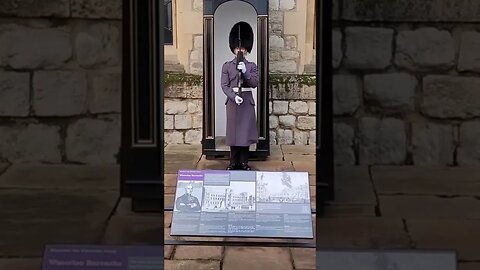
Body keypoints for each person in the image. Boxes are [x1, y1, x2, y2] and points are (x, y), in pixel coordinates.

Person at [221, 21, 258, 171]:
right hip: (233, 101)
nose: (240, 50)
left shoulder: (252, 66)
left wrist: (245, 71)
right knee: (233, 134)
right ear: (233, 49)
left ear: (247, 49)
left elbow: (254, 83)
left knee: (245, 134)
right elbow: (224, 85)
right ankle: (232, 162)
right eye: (237, 48)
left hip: (246, 102)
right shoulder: (227, 66)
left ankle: (244, 163)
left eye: (242, 48)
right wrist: (233, 96)